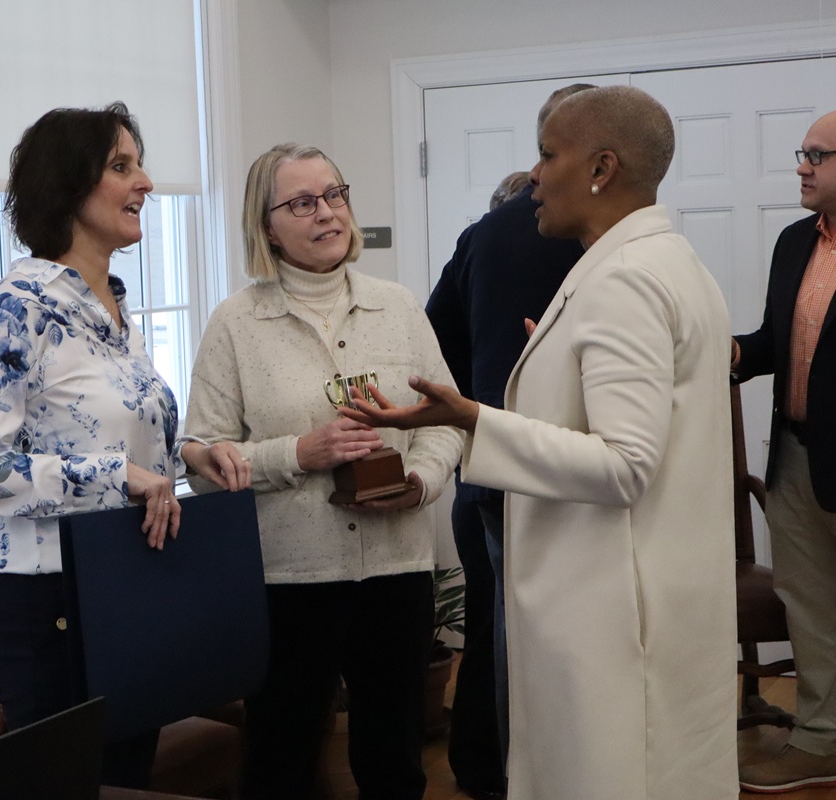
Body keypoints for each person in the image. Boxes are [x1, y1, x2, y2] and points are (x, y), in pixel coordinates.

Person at [340, 85, 737, 800]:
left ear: (601, 168)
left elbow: (625, 464)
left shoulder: (624, 280)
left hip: (612, 604)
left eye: (549, 154)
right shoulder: (669, 261)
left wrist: (474, 418)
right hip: (653, 587)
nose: (534, 174)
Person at [0, 104, 250, 789]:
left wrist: (188, 456)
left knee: (126, 784)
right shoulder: (10, 312)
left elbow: (113, 434)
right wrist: (117, 476)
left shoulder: (112, 307)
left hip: (126, 583)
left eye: (139, 164)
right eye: (121, 166)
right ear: (68, 186)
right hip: (46, 601)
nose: (146, 182)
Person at [185, 143, 463, 800]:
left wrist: (419, 483)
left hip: (396, 570)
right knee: (279, 761)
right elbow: (203, 458)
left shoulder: (398, 308)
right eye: (303, 202)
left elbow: (446, 420)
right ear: (267, 225)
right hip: (290, 579)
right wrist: (296, 455)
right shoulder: (236, 323)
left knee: (394, 764)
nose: (328, 213)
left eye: (335, 195)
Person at [425, 85, 591, 800]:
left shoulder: (484, 234)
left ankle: (482, 771)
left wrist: (480, 406)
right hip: (575, 471)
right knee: (564, 640)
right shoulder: (600, 236)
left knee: (492, 627)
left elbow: (436, 338)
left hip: (489, 465)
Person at [732, 109, 836, 800]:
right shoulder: (794, 241)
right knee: (809, 609)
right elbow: (776, 341)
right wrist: (724, 352)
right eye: (803, 153)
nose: (802, 166)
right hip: (795, 460)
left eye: (817, 154)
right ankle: (821, 744)